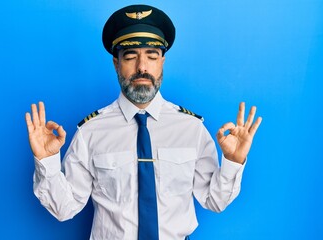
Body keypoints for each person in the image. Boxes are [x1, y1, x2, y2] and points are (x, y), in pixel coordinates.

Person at [25, 4, 262, 240]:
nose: (142, 67)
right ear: (116, 64)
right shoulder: (91, 131)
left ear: (162, 62)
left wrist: (233, 161)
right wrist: (47, 161)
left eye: (152, 55)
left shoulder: (192, 129)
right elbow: (64, 208)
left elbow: (214, 201)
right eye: (130, 56)